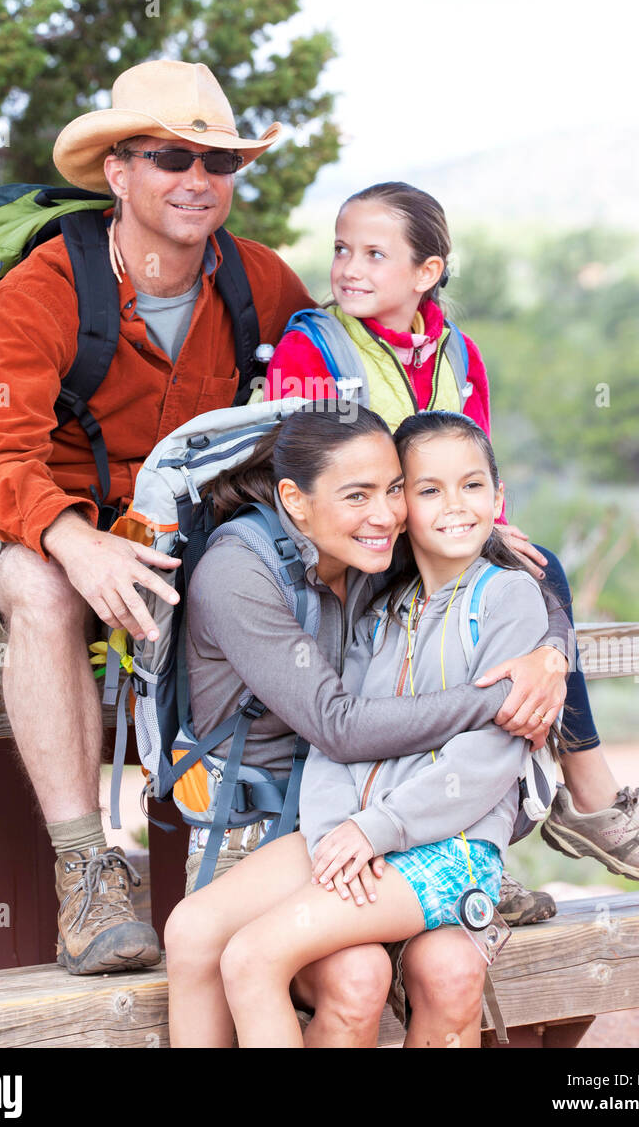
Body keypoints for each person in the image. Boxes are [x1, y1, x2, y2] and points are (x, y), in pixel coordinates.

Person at [0, 59, 315, 976]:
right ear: (118, 170)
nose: (199, 181)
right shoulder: (43, 289)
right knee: (41, 585)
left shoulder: (261, 284)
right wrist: (79, 543)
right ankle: (87, 873)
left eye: (219, 163)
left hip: (185, 542)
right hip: (45, 536)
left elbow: (333, 414)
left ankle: (396, 835)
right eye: (171, 157)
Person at [264, 180, 639, 908]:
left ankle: (495, 843)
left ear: (427, 272)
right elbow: (309, 475)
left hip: (433, 536)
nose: (350, 269)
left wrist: (489, 525)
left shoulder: (458, 356)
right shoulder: (313, 348)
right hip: (357, 551)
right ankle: (569, 804)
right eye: (342, 250)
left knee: (527, 571)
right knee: (477, 648)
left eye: (375, 253)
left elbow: (474, 466)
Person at [166, 402, 572, 1047]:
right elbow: (341, 730)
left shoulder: (388, 563)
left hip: (428, 836)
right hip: (304, 820)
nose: (385, 514)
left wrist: (553, 654)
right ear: (295, 501)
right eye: (363, 495)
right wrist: (346, 834)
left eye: (392, 492)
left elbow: (524, 586)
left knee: (262, 958)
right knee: (193, 931)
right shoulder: (296, 583)